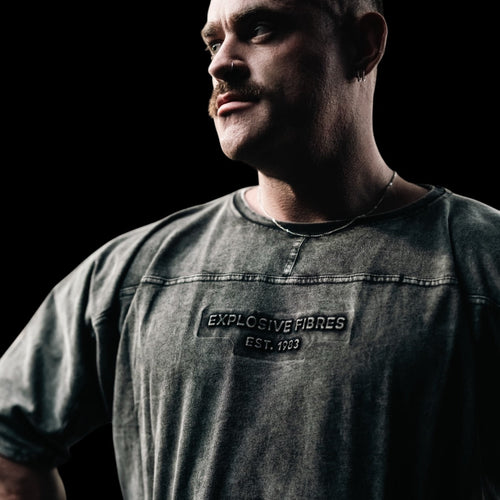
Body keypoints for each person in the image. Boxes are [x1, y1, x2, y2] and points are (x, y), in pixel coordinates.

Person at [1, 0, 499, 498]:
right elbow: (8, 443)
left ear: (363, 45)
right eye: (214, 43)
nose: (219, 64)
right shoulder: (137, 271)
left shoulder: (480, 261)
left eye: (260, 28)